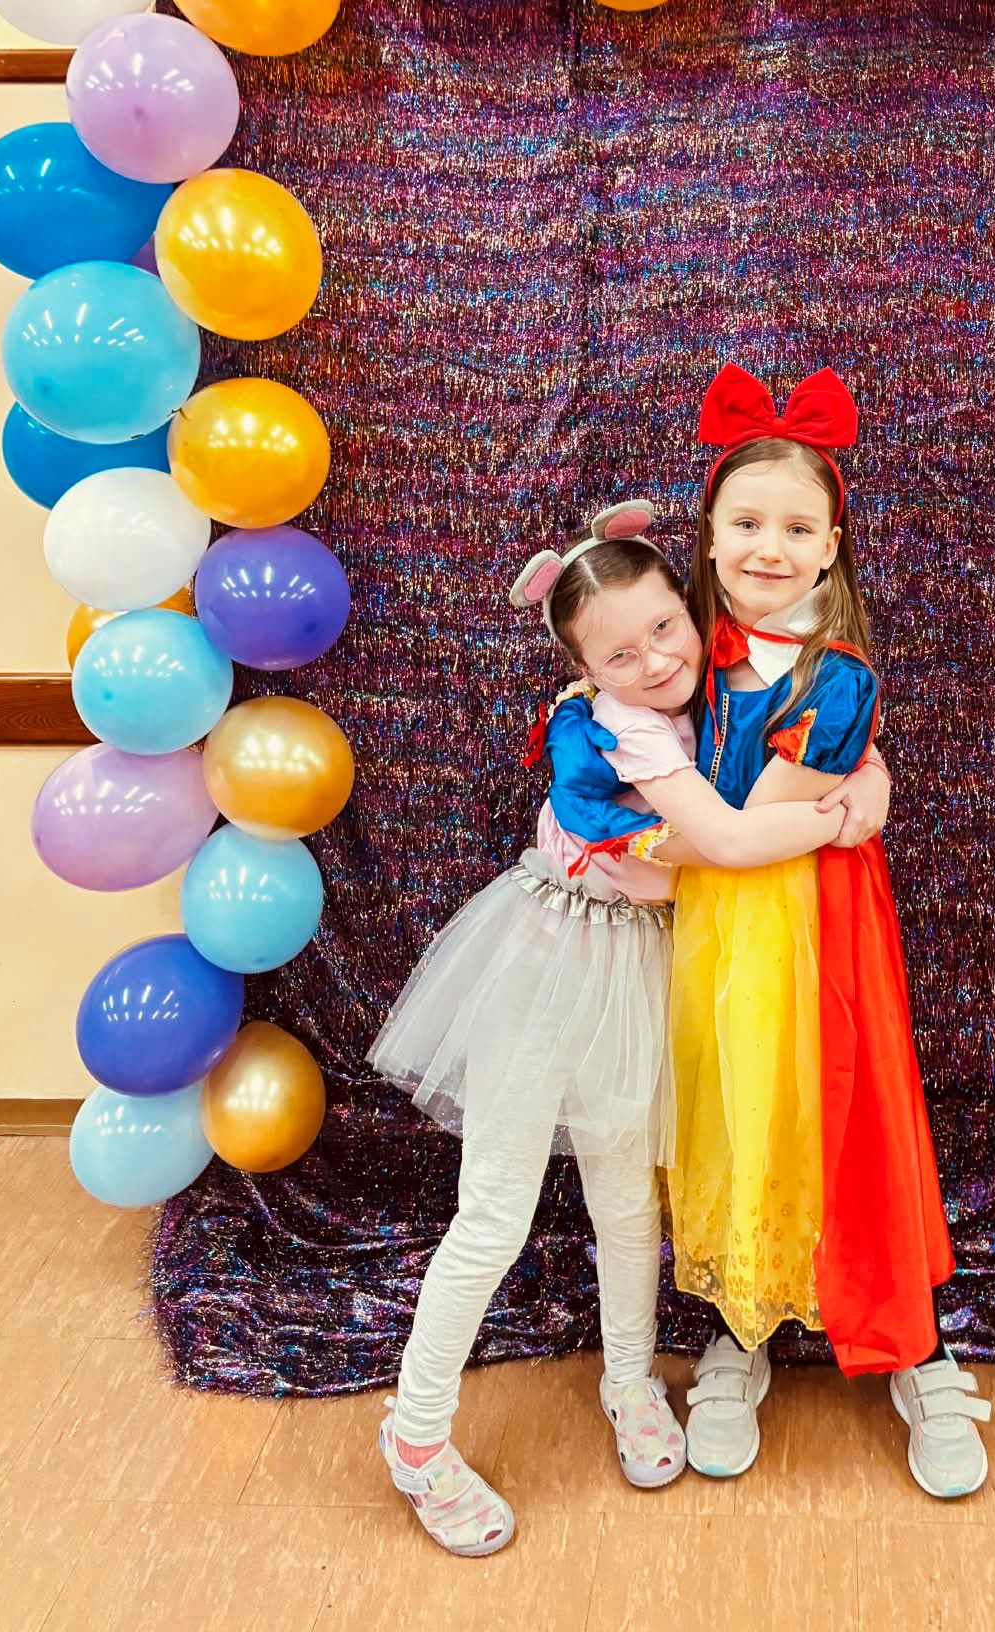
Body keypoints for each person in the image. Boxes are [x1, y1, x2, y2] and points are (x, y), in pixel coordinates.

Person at [368, 500, 887, 1554]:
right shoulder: (618, 727)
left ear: (691, 609)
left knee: (626, 1197)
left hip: (642, 965)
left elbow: (805, 735)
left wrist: (867, 768)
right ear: (583, 668)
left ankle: (630, 1378)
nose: (653, 660)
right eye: (618, 652)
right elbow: (726, 841)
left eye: (665, 627)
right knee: (495, 1212)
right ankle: (415, 1434)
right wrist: (839, 817)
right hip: (548, 962)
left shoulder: (716, 682)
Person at [547, 369, 992, 1499]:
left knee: (843, 1107)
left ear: (833, 548)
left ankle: (913, 1342)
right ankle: (740, 1325)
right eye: (747, 523)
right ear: (707, 535)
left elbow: (750, 826)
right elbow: (621, 744)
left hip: (814, 916)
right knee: (733, 1109)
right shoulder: (676, 648)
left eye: (798, 529)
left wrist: (854, 792)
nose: (770, 548)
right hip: (709, 921)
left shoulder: (837, 678)